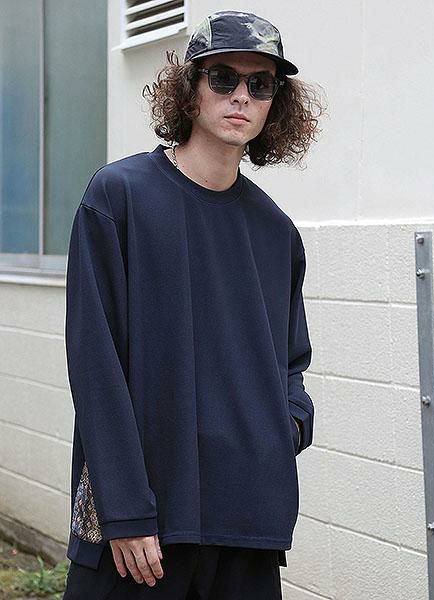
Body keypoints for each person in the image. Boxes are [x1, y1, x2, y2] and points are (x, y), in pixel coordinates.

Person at [62, 9, 325, 599]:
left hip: (248, 525)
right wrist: (124, 510)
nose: (241, 96)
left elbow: (291, 362)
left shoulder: (275, 231)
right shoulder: (119, 197)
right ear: (190, 88)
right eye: (223, 78)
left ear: (276, 103)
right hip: (142, 529)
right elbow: (95, 364)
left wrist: (287, 426)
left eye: (261, 84)